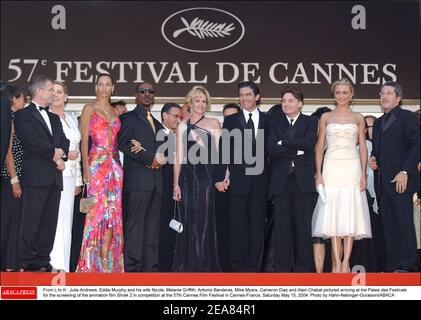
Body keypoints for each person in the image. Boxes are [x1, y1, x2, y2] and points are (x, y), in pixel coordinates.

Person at [77, 74, 140, 272]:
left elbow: (119, 140)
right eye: (100, 84)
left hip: (115, 167)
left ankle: (108, 260)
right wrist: (85, 169)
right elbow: (84, 142)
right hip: (96, 164)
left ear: (112, 88)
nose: (104, 88)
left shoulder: (115, 111)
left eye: (107, 85)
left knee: (113, 213)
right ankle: (91, 262)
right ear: (96, 87)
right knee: (97, 213)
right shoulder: (89, 108)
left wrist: (133, 142)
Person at [312, 78, 372, 273]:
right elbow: (320, 146)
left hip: (352, 167)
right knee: (333, 214)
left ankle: (346, 262)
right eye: (338, 92)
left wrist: (364, 173)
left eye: (345, 92)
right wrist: (318, 173)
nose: (341, 96)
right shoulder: (326, 117)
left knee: (350, 213)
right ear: (334, 94)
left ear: (351, 94)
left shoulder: (358, 118)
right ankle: (336, 263)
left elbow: (363, 147)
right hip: (331, 167)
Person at [14, 75, 70, 272]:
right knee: (31, 221)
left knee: (49, 222)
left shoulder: (54, 118)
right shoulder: (23, 115)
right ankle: (26, 262)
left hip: (54, 177)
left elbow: (64, 141)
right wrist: (54, 155)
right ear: (38, 91)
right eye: (50, 89)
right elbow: (31, 141)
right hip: (35, 177)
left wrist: (60, 155)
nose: (53, 93)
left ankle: (42, 261)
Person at [215, 81, 269, 272]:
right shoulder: (231, 120)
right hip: (237, 183)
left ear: (257, 97)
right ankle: (237, 268)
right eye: (241, 95)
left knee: (257, 228)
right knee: (237, 227)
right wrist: (220, 177)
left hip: (261, 183)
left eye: (248, 95)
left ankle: (254, 267)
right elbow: (223, 150)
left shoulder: (268, 119)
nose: (244, 98)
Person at [369, 81, 419, 272]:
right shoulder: (380, 122)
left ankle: (408, 266)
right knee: (389, 227)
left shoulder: (408, 118)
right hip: (383, 183)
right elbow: (377, 149)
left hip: (402, 182)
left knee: (404, 225)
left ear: (398, 98)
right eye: (381, 93)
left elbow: (417, 145)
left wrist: (405, 171)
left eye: (389, 93)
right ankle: (393, 266)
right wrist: (373, 158)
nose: (384, 97)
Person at [267, 87, 318, 272]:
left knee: (303, 228)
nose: (286, 104)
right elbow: (271, 148)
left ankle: (303, 269)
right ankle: (282, 269)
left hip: (303, 182)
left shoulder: (310, 121)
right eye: (284, 101)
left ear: (300, 104)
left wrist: (285, 142)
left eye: (290, 100)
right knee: (282, 228)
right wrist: (297, 149)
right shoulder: (274, 122)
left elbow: (309, 143)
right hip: (280, 182)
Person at [172, 86, 221, 272]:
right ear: (190, 103)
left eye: (203, 101)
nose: (200, 104)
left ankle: (203, 264)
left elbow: (220, 155)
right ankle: (190, 264)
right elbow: (177, 158)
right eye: (197, 100)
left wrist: (223, 176)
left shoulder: (214, 123)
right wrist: (175, 184)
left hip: (206, 177)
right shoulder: (182, 126)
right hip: (186, 178)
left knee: (204, 217)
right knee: (189, 217)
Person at [118, 82, 165, 272]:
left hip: (156, 182)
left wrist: (159, 158)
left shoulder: (158, 123)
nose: (147, 94)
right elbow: (124, 143)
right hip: (138, 182)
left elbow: (165, 150)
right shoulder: (128, 118)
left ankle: (150, 268)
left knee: (152, 229)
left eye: (151, 92)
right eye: (143, 92)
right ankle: (132, 268)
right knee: (135, 228)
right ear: (135, 95)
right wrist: (149, 157)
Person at [49, 81, 82, 272]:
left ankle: (64, 265)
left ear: (66, 96)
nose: (55, 95)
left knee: (67, 220)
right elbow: (45, 146)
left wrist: (78, 180)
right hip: (54, 173)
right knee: (54, 219)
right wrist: (62, 155)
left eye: (59, 92)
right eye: (52, 91)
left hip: (71, 176)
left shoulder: (71, 118)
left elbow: (76, 151)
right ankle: (53, 263)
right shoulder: (47, 116)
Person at [1, 85, 26, 271]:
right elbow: (8, 151)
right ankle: (7, 263)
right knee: (9, 219)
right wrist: (14, 180)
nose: (24, 101)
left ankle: (11, 261)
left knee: (13, 220)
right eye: (22, 98)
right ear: (14, 99)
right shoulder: (8, 118)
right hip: (9, 178)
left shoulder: (15, 118)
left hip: (13, 177)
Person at [157, 103, 182, 271]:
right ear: (164, 115)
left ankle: (172, 265)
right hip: (161, 190)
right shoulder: (155, 134)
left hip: (178, 190)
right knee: (161, 229)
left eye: (180, 117)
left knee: (174, 228)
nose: (178, 120)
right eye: (175, 116)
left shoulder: (180, 135)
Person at [310, 107, 332, 273]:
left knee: (337, 233)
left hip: (335, 191)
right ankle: (319, 274)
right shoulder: (310, 145)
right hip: (312, 195)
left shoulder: (337, 146)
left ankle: (337, 270)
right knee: (317, 235)